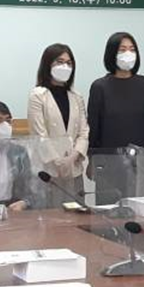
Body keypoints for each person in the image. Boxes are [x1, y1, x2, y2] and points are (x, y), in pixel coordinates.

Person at [28, 43, 89, 207]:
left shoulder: (76, 97)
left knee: (76, 214)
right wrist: (58, 161)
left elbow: (84, 132)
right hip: (49, 170)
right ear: (48, 64)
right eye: (60, 62)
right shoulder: (38, 95)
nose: (65, 67)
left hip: (74, 167)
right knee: (51, 215)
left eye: (69, 63)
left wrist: (73, 157)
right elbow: (39, 134)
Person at [88, 32, 144, 152]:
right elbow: (94, 128)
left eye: (132, 50)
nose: (128, 54)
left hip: (142, 155)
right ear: (112, 53)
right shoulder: (99, 87)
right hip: (109, 156)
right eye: (122, 50)